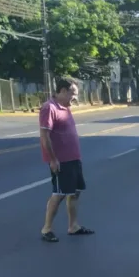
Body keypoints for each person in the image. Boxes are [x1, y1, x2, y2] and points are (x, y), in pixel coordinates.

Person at [39, 77, 93, 242]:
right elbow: (45, 136)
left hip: (73, 158)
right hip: (61, 161)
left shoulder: (65, 107)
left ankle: (73, 226)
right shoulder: (49, 108)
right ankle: (46, 228)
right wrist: (53, 160)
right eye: (72, 93)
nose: (75, 98)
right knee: (59, 193)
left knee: (75, 193)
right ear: (62, 91)